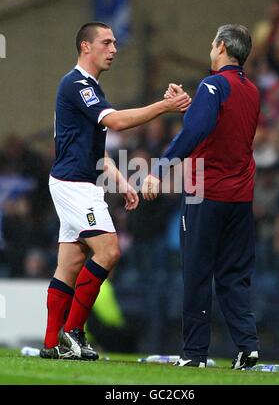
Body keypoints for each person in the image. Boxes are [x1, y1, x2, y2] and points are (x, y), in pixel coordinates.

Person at [40, 21, 191, 360]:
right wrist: (163, 107)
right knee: (109, 251)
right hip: (74, 185)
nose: (114, 49)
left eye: (114, 43)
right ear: (85, 47)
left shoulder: (89, 88)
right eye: (106, 42)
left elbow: (95, 149)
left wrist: (121, 182)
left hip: (80, 183)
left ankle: (51, 343)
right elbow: (118, 122)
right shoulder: (78, 84)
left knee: (70, 262)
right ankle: (74, 332)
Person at [142, 24, 260, 369]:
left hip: (204, 193)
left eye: (212, 43)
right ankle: (247, 347)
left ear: (222, 46)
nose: (211, 48)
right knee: (234, 273)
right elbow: (223, 127)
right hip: (240, 197)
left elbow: (195, 131)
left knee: (196, 272)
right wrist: (193, 107)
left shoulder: (213, 84)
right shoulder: (251, 90)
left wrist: (158, 169)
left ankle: (194, 354)